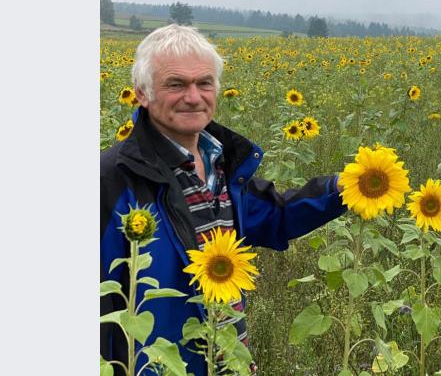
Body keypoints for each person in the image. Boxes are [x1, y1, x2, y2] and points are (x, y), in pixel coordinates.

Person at [100, 24, 347, 375]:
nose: (193, 96)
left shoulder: (223, 165)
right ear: (142, 93)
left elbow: (275, 216)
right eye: (176, 84)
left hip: (225, 357)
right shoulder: (109, 180)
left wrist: (345, 188)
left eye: (204, 82)